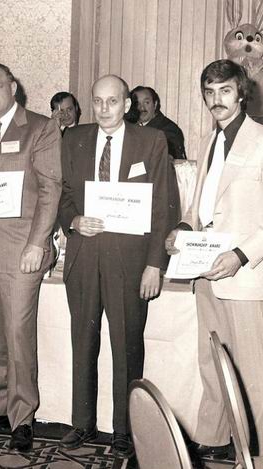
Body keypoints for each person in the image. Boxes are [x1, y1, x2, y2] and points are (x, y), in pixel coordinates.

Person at [58, 75, 171, 459]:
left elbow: (163, 207)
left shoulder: (151, 141)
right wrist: (73, 221)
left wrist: (155, 264)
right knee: (83, 342)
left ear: (127, 105)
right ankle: (82, 422)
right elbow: (64, 196)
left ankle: (124, 429)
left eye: (112, 101)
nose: (104, 109)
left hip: (131, 261)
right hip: (84, 257)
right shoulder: (73, 139)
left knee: (127, 347)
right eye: (98, 101)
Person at [165, 59, 263, 466]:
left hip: (244, 276)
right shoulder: (210, 141)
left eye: (225, 90)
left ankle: (255, 455)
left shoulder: (260, 139)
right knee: (214, 363)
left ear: (241, 92)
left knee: (253, 373)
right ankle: (221, 435)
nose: (216, 100)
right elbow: (200, 205)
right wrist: (183, 229)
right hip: (206, 273)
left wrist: (241, 255)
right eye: (209, 91)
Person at [0, 62, 62, 452]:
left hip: (23, 248)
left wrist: (38, 243)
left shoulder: (40, 127)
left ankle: (22, 417)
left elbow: (51, 190)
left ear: (13, 87)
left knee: (19, 335)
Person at [130, 86, 186, 159]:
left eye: (146, 103)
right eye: (137, 103)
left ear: (155, 104)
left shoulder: (169, 129)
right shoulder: (129, 126)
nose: (141, 108)